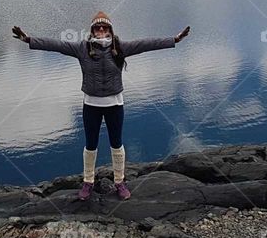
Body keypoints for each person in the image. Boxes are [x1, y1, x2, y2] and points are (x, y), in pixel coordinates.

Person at [12, 11, 189, 201]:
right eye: (98, 27)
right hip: (91, 105)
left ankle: (120, 182)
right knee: (91, 145)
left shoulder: (120, 48)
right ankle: (88, 182)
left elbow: (146, 44)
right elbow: (57, 46)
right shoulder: (82, 48)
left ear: (110, 30)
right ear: (93, 30)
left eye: (105, 27)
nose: (101, 30)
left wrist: (174, 40)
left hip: (115, 104)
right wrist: (28, 39)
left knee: (116, 143)